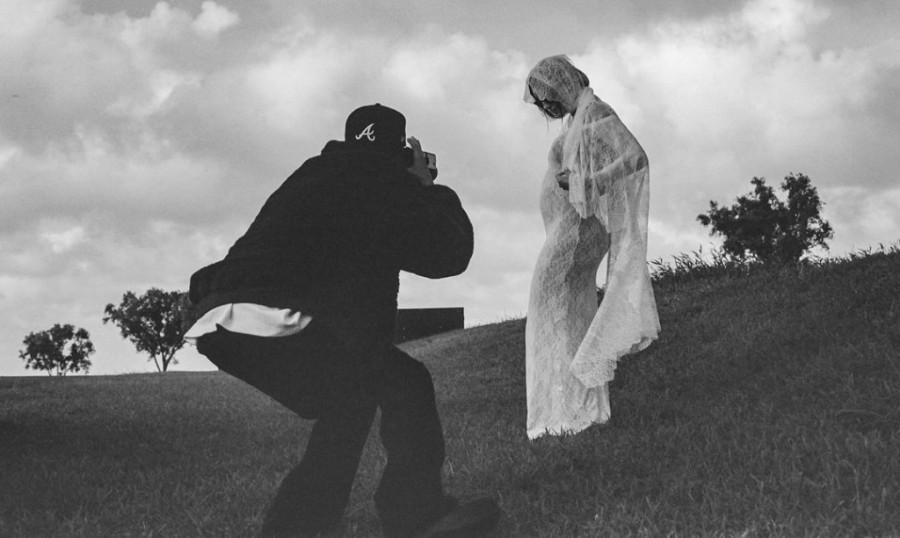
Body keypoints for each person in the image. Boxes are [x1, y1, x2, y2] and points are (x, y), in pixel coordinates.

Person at [183, 104, 500, 537]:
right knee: (407, 383)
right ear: (400, 151)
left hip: (222, 320)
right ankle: (417, 517)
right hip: (286, 314)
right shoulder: (382, 178)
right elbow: (449, 253)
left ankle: (294, 528)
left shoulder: (314, 172)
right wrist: (428, 188)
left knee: (352, 398)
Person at [522, 55, 660, 439]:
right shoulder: (580, 117)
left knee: (552, 314)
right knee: (568, 317)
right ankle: (571, 409)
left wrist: (589, 182)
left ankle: (564, 413)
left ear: (562, 84)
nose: (545, 108)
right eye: (540, 103)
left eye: (547, 97)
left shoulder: (596, 112)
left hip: (575, 237)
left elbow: (635, 158)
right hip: (569, 233)